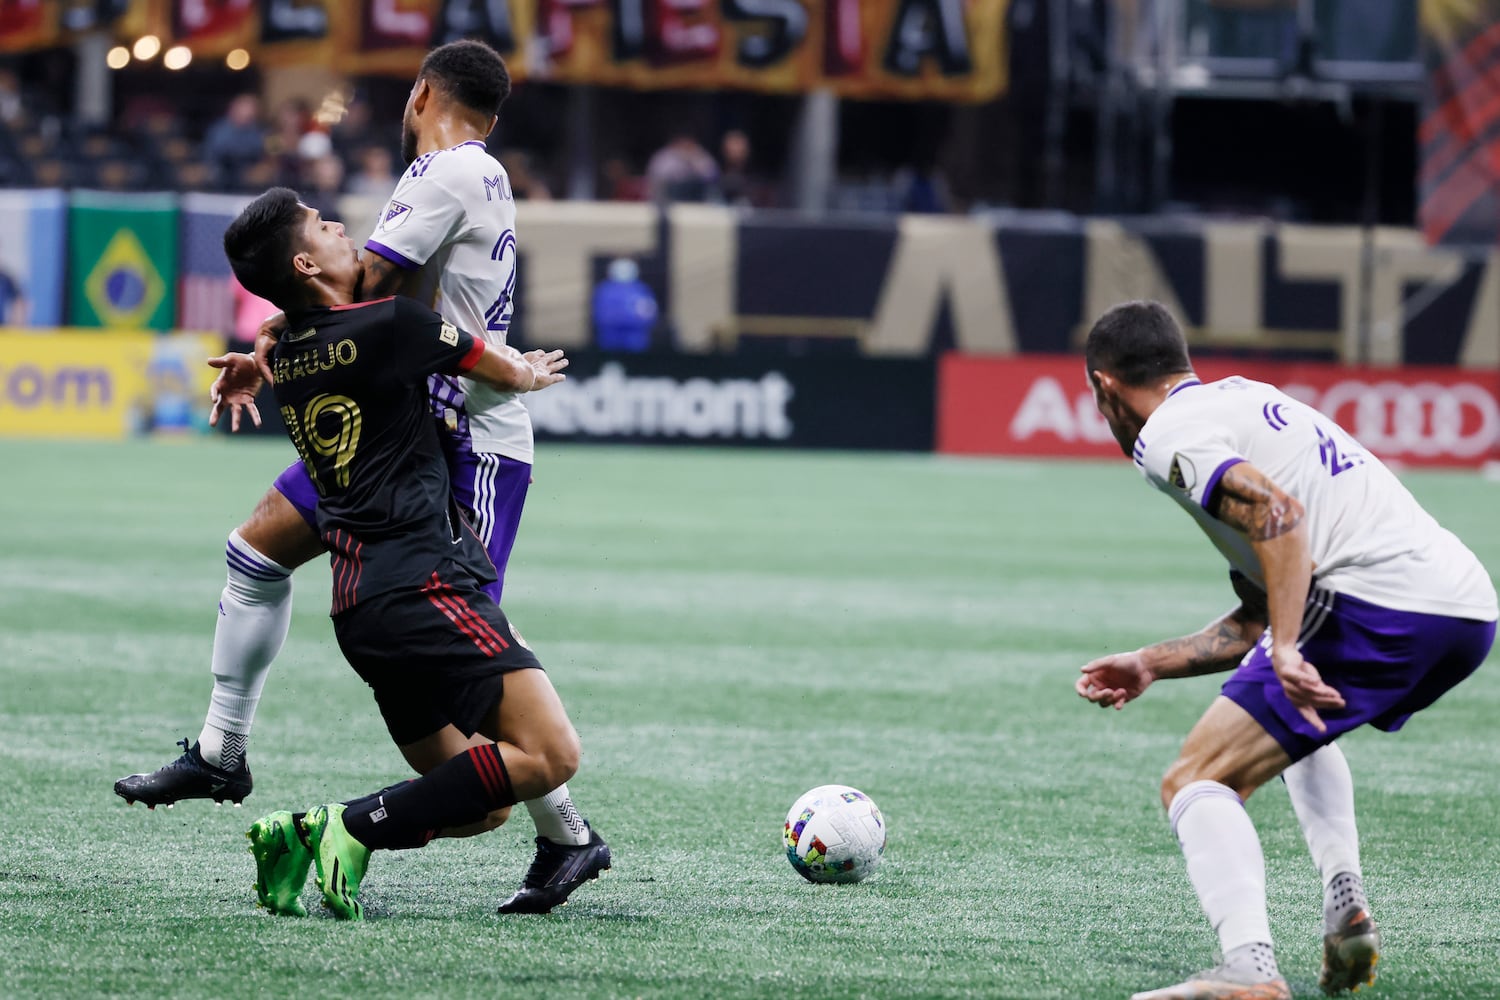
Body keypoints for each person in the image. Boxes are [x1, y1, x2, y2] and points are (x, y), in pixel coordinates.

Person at [116, 39, 611, 916]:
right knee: (255, 551)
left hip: (463, 434)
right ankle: (223, 752)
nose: (335, 224)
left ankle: (563, 832)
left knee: (476, 641)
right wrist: (278, 354)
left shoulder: (441, 173)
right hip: (402, 412)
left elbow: (362, 299)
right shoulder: (477, 170)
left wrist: (274, 346)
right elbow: (354, 312)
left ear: (422, 92)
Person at [1075, 301, 1497, 1000]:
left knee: (1195, 780)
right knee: (1286, 721)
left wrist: (1292, 647)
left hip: (1379, 600)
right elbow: (1262, 609)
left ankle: (1250, 970)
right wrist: (1153, 661)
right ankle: (1345, 903)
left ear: (1105, 388)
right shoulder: (1242, 402)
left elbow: (1279, 520)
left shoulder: (1166, 436)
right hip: (1464, 609)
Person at [221, 187, 576, 920]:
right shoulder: (393, 324)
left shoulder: (284, 354)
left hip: (361, 613)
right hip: (427, 586)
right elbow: (502, 372)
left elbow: (299, 326)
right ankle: (344, 826)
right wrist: (531, 374)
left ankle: (318, 833)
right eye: (323, 226)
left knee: (484, 805)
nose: (343, 228)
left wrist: (262, 345)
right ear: (305, 262)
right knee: (550, 757)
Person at [591, 258, 657, 352]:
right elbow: (603, 317)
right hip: (610, 343)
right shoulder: (605, 290)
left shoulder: (641, 289)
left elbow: (650, 315)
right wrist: (632, 317)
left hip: (637, 343)